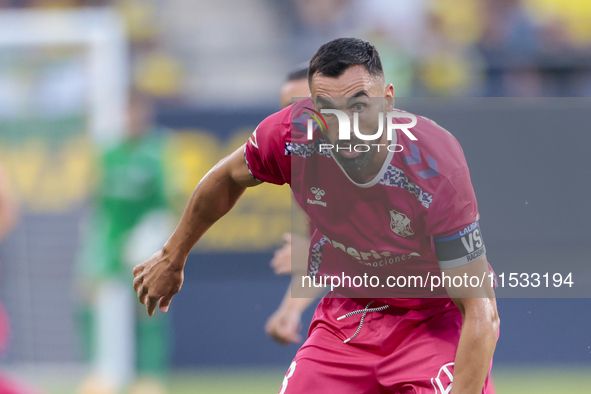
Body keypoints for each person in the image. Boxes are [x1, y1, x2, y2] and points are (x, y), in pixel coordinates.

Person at [132, 38, 499, 393]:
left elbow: (481, 310)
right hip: (348, 317)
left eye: (359, 107)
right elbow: (227, 177)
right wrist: (172, 256)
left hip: (432, 321)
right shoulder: (293, 134)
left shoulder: (435, 166)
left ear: (387, 100)